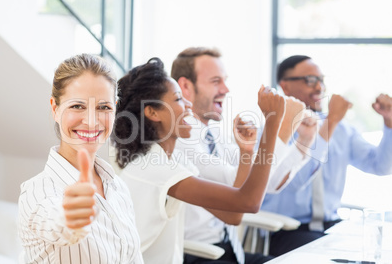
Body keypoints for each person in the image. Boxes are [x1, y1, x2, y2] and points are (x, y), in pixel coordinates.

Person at [112, 57, 286, 264]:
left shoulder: (172, 159)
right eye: (178, 99)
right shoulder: (155, 167)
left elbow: (234, 215)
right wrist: (273, 123)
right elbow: (249, 202)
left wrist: (246, 151)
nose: (188, 104)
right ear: (152, 112)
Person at [170, 47, 317, 264]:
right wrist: (280, 127)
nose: (226, 88)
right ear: (185, 86)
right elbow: (238, 189)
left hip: (229, 249)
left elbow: (267, 184)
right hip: (198, 254)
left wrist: (303, 142)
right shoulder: (180, 138)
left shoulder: (215, 133)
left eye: (225, 80)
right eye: (215, 81)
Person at [18, 54, 144, 263]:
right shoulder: (37, 193)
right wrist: (71, 219)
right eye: (77, 106)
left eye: (104, 107)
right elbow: (58, 223)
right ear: (55, 109)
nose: (92, 121)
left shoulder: (117, 187)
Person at [261, 55, 392, 256]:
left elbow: (380, 166)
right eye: (310, 80)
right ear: (285, 87)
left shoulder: (343, 131)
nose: (319, 87)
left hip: (332, 226)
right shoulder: (274, 132)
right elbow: (294, 183)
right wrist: (330, 122)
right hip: (285, 231)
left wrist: (389, 122)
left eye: (321, 80)